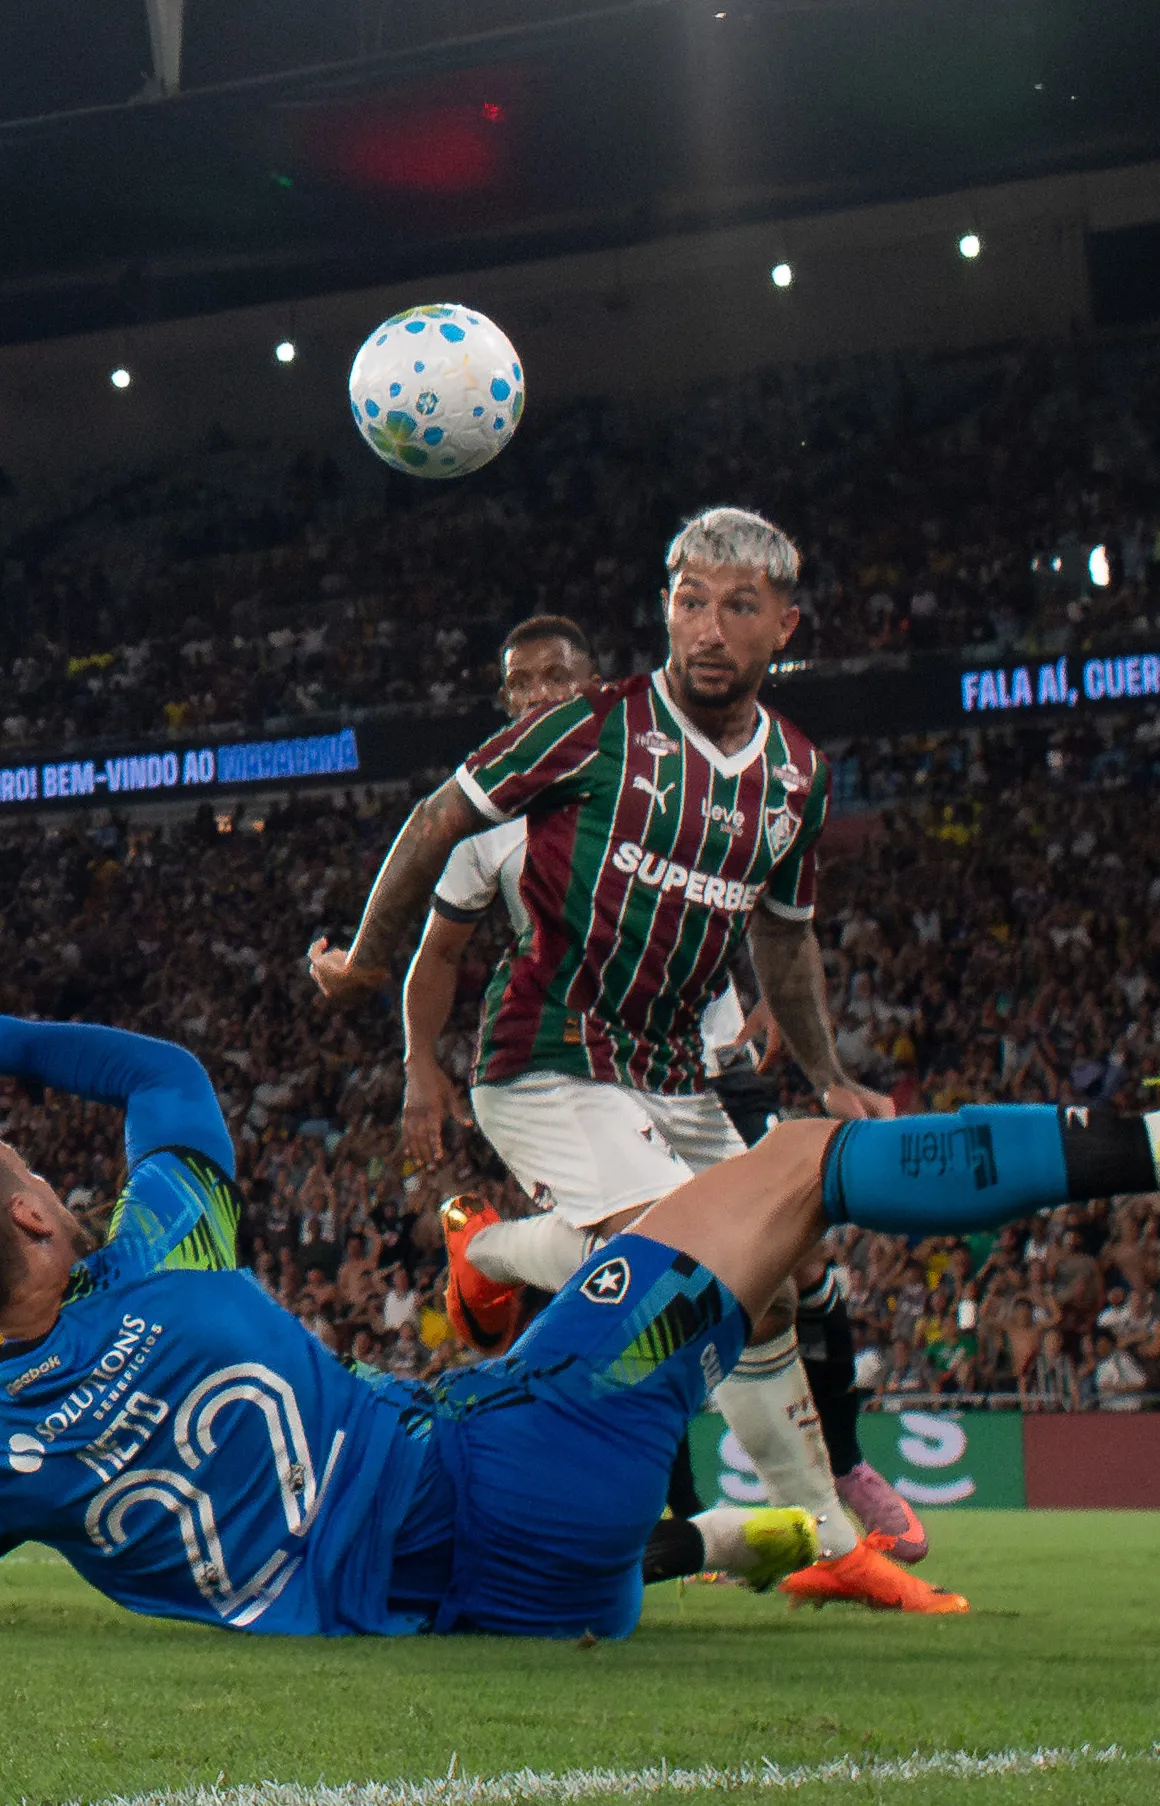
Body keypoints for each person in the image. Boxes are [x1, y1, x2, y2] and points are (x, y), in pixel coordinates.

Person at [0, 956, 1160, 1638]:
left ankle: (728, 1533)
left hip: (514, 1599)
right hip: (511, 1451)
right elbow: (163, 1076)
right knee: (797, 1163)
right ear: (40, 1209)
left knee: (649, 1301)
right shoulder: (166, 1245)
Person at [317, 507, 922, 1603]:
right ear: (664, 610)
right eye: (691, 600)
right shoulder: (592, 730)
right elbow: (432, 820)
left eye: (739, 606)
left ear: (784, 625)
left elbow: (782, 933)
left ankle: (833, 1551)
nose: (709, 627)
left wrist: (828, 1072)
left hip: (671, 1072)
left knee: (768, 1287)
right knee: (681, 1260)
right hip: (542, 1056)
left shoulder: (795, 772)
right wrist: (365, 965)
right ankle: (493, 1258)